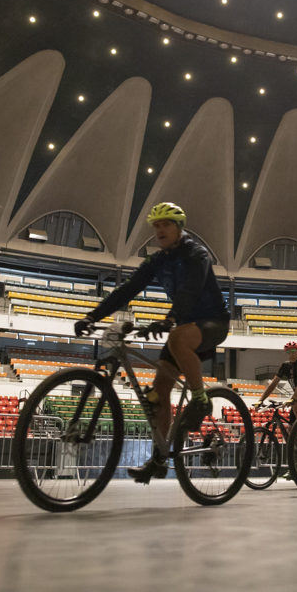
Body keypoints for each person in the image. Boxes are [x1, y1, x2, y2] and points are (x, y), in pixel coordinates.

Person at [74, 202, 230, 483]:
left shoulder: (197, 253)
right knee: (159, 391)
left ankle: (200, 399)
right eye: (156, 226)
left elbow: (190, 291)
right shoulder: (158, 260)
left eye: (165, 224)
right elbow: (127, 290)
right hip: (183, 324)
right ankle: (159, 458)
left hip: (213, 322)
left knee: (178, 336)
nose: (159, 230)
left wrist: (170, 318)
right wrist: (92, 315)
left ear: (179, 227)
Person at [256, 341, 297, 466]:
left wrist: (292, 398)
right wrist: (260, 400)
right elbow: (273, 384)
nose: (291, 354)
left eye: (293, 351)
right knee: (291, 431)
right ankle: (295, 466)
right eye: (288, 352)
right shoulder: (285, 366)